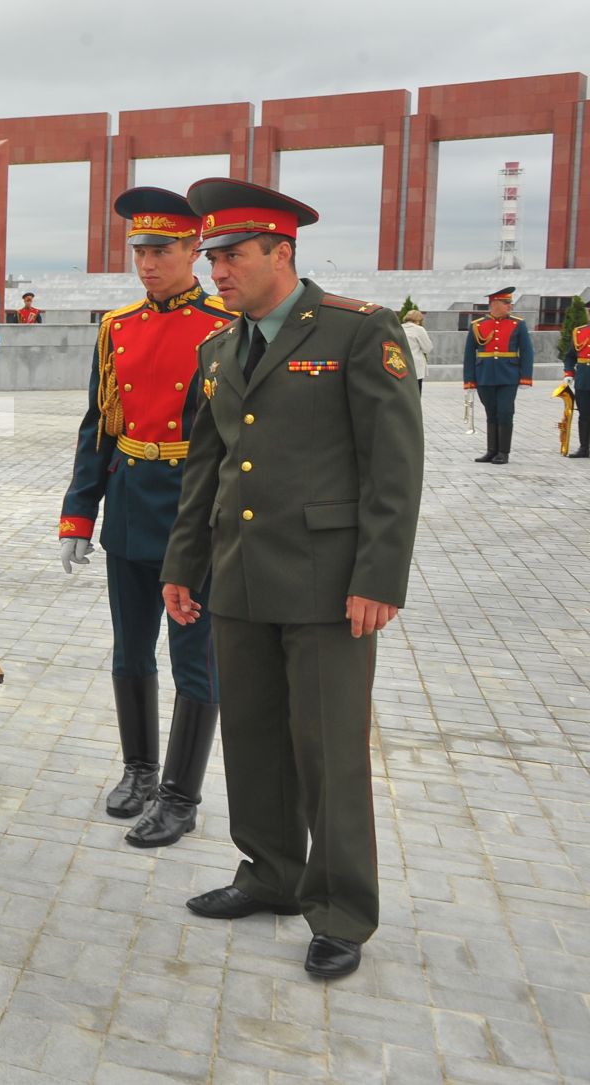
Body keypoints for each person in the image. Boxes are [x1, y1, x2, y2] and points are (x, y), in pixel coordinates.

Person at [161, 178, 423, 980]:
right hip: (241, 578)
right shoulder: (217, 348)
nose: (218, 273)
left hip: (328, 584)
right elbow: (202, 472)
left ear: (283, 251)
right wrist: (183, 564)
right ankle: (271, 873)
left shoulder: (356, 331)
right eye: (211, 258)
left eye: (233, 256)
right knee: (253, 736)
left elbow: (394, 466)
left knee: (327, 749)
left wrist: (379, 577)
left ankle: (341, 907)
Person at [59, 188, 232, 848]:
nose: (148, 263)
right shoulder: (118, 326)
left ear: (194, 249)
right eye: (140, 250)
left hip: (196, 506)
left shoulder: (224, 325)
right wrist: (79, 513)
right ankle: (139, 769)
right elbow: (97, 425)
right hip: (131, 503)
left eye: (162, 250)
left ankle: (181, 795)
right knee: (131, 649)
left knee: (195, 657)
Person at [463, 287, 533, 464]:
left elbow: (527, 351)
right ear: (494, 304)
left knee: (505, 412)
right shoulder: (478, 325)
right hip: (484, 375)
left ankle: (503, 452)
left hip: (508, 375)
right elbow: (469, 354)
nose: (510, 306)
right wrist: (469, 380)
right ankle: (491, 451)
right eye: (506, 303)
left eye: (510, 303)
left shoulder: (518, 324)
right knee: (491, 413)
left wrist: (526, 377)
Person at [566, 294, 590, 458]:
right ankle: (584, 448)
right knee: (584, 414)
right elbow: (570, 356)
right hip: (584, 380)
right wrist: (569, 373)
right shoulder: (580, 332)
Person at [399, 308, 433, 392]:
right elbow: (427, 348)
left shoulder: (399, 328)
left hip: (400, 364)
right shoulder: (419, 329)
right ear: (418, 319)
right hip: (415, 366)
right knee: (416, 392)